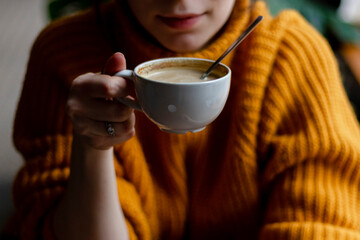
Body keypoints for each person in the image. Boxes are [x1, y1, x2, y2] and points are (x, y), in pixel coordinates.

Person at [4, 0, 360, 239]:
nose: (179, 0)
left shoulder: (295, 56)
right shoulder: (65, 55)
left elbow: (320, 225)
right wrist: (93, 149)